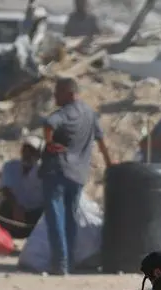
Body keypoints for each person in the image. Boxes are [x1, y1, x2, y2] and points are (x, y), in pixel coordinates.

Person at [39, 77, 112, 275]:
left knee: (56, 216)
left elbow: (49, 124)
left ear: (70, 94)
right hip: (78, 174)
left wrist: (49, 143)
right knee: (70, 218)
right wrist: (109, 163)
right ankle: (69, 262)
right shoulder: (90, 114)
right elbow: (101, 140)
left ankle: (60, 263)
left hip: (58, 170)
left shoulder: (65, 112)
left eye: (58, 92)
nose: (55, 96)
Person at [0, 136, 45, 239]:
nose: (27, 154)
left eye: (31, 151)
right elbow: (5, 189)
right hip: (13, 210)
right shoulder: (10, 166)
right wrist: (16, 207)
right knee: (4, 206)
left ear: (38, 154)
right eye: (25, 150)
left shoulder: (44, 172)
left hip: (33, 213)